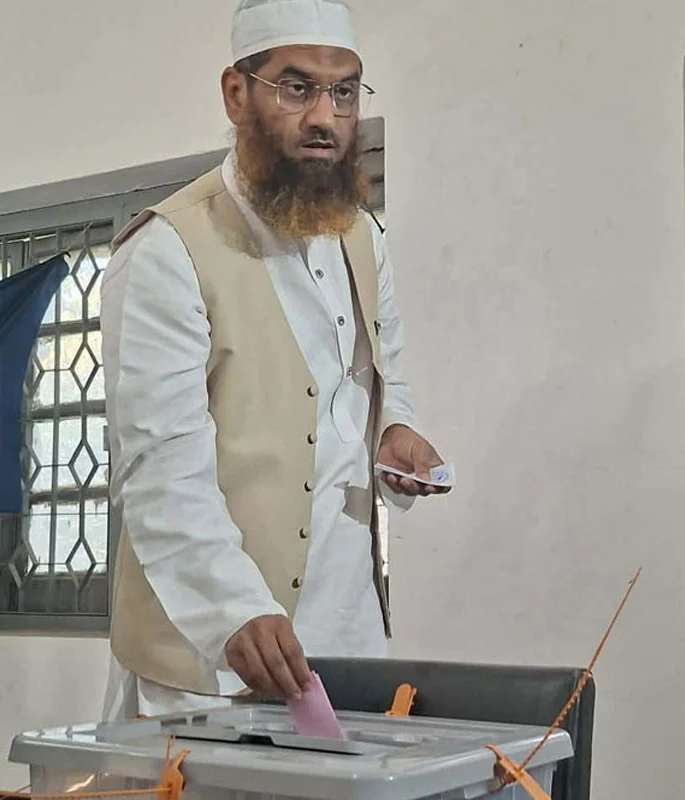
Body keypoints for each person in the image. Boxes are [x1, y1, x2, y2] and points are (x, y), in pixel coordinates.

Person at [100, 0, 449, 720]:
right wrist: (234, 611)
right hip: (214, 655)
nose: (325, 117)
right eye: (297, 88)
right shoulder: (167, 249)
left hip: (348, 635)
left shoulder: (362, 235)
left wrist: (394, 430)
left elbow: (385, 367)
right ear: (237, 94)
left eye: (343, 91)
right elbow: (159, 466)